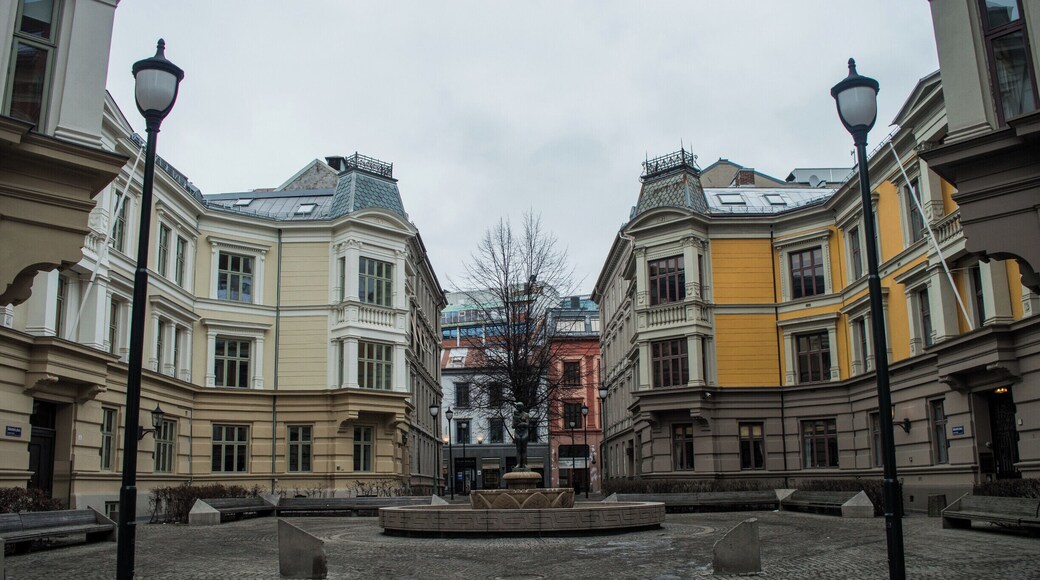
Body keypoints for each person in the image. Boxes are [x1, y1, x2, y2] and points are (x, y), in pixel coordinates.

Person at [512, 402, 531, 470]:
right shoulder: (515, 415)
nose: (519, 408)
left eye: (520, 406)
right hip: (517, 432)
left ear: (522, 407)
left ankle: (524, 464)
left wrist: (519, 423)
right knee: (518, 449)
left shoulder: (526, 415)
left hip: (524, 432)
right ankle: (518, 464)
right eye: (518, 407)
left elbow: (527, 425)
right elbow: (513, 425)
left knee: (524, 449)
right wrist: (522, 423)